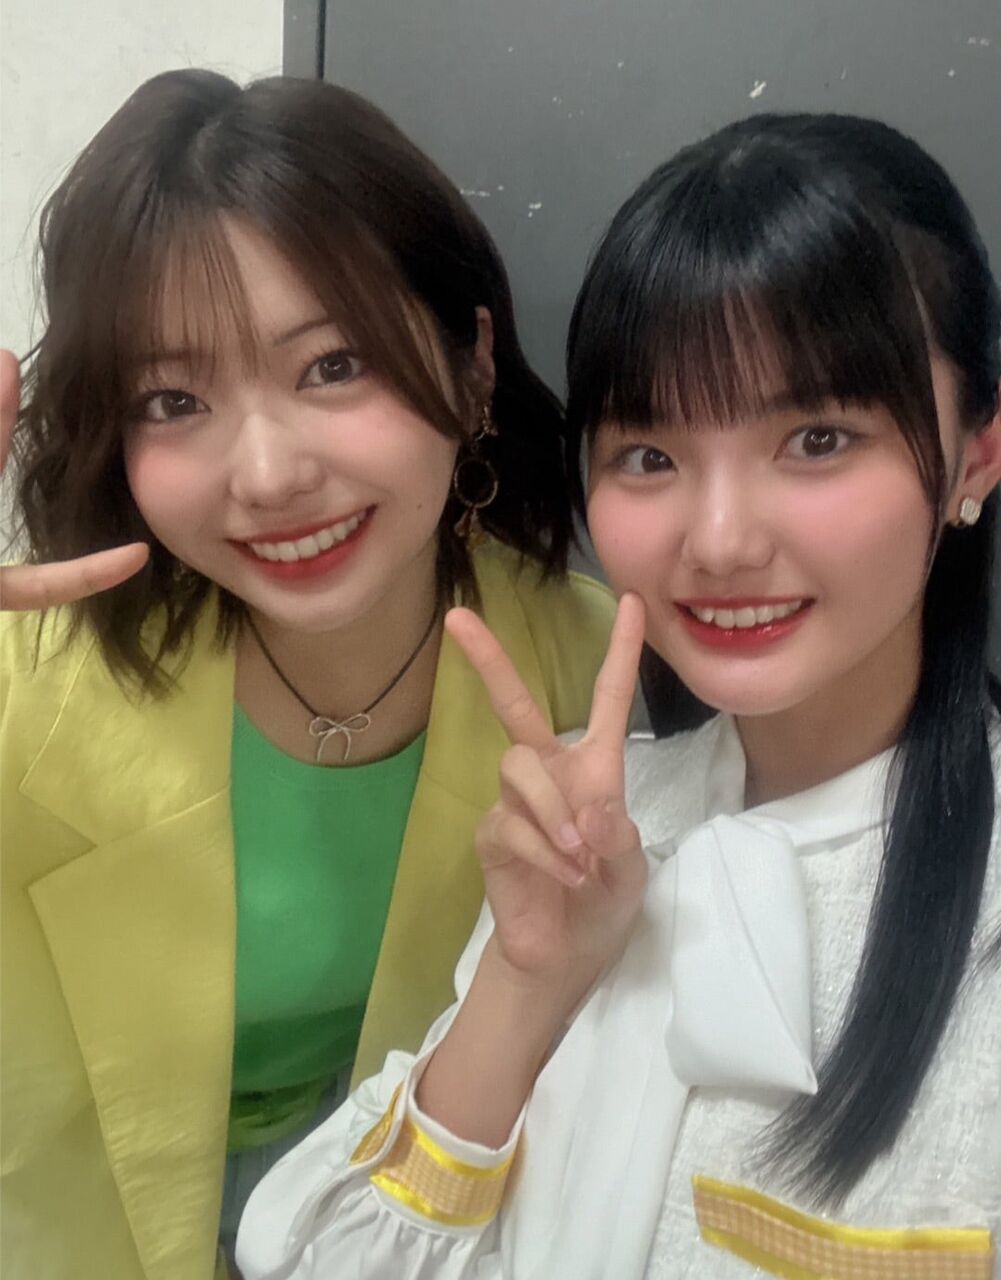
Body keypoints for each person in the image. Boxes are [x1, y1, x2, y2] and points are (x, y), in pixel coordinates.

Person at [236, 112, 1001, 1280]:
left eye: (815, 437)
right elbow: (308, 1257)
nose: (720, 539)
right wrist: (525, 981)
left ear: (973, 457)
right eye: (648, 455)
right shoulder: (598, 825)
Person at [0, 70, 616, 1280]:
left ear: (472, 361)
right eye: (173, 398)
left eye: (332, 365)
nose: (269, 474)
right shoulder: (29, 687)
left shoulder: (580, 663)